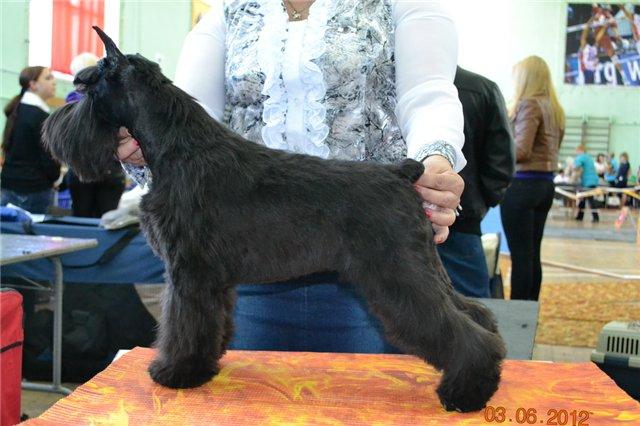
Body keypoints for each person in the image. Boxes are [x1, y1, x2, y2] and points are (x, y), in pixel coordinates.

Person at [117, 0, 465, 353]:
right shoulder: (227, 14)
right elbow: (193, 113)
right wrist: (147, 146)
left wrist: (435, 158)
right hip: (249, 270)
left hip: (371, 251)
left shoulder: (403, 4)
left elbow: (426, 96)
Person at [437, 67, 514, 298]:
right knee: (473, 309)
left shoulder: (390, 81)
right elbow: (501, 163)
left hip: (405, 220)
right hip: (461, 218)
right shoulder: (483, 89)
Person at [500, 56, 565, 301]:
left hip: (522, 186)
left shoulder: (529, 104)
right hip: (545, 185)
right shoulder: (555, 109)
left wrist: (496, 150)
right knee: (532, 254)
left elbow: (521, 150)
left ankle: (518, 312)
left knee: (520, 257)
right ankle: (530, 308)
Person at [64, 53, 126, 218]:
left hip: (97, 170)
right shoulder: (110, 100)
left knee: (86, 219)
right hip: (97, 169)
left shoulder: (73, 102)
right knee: (99, 220)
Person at [1, 66, 60, 214]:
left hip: (9, 185)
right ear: (33, 85)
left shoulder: (18, 109)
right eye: (48, 78)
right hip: (33, 191)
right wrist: (54, 178)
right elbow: (48, 157)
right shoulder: (39, 116)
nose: (54, 82)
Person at [572, 144, 600, 222]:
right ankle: (580, 216)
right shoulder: (588, 157)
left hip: (588, 181)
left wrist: (571, 167)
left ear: (580, 150)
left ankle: (595, 217)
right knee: (583, 199)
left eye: (576, 151)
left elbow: (575, 166)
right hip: (592, 180)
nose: (576, 153)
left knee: (589, 199)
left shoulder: (582, 157)